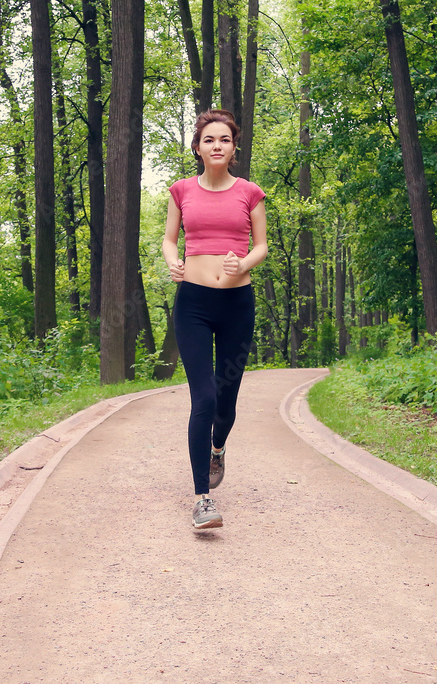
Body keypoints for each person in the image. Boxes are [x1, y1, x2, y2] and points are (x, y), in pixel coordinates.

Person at [162, 109, 267, 529]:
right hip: (193, 306)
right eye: (209, 139)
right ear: (198, 147)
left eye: (224, 139)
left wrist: (243, 263)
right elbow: (171, 240)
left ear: (234, 148)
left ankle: (218, 448)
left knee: (225, 405)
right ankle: (203, 499)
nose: (217, 145)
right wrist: (174, 262)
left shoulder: (250, 193)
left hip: (237, 306)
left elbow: (261, 246)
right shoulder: (181, 191)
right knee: (203, 399)